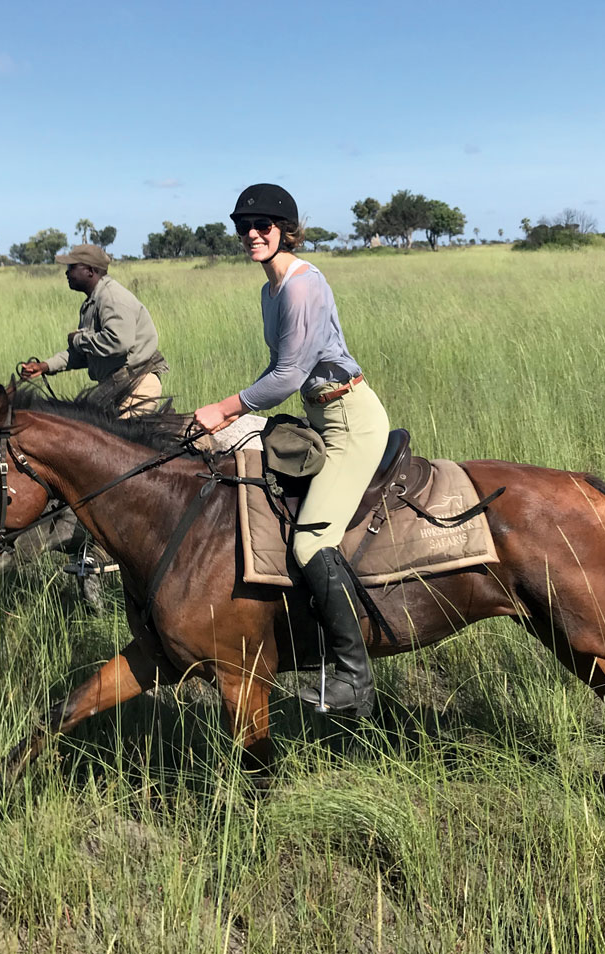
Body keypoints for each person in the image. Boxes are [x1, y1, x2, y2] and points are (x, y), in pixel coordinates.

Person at [195, 184, 390, 718]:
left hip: (350, 420)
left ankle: (355, 679)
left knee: (309, 543)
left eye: (263, 225)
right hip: (318, 415)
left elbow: (289, 373)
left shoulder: (303, 286)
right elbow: (280, 371)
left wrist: (226, 408)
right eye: (243, 226)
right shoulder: (270, 290)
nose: (252, 234)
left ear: (286, 229)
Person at [19, 243, 167, 415]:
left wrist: (79, 340)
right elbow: (83, 353)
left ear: (90, 270)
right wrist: (45, 366)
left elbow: (118, 342)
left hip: (137, 384)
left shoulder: (112, 299)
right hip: (115, 386)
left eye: (72, 267)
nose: (67, 272)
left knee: (115, 440)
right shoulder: (92, 303)